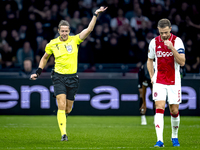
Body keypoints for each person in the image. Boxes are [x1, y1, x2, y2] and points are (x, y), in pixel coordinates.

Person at [30, 6, 107, 141]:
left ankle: (63, 118)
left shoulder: (75, 39)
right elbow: (44, 58)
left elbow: (89, 29)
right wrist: (38, 72)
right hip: (58, 76)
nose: (64, 33)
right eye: (62, 31)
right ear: (58, 31)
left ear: (69, 31)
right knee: (61, 103)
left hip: (72, 78)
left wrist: (95, 14)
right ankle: (63, 134)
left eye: (66, 31)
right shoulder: (52, 44)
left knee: (68, 109)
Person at [147, 18, 185, 147]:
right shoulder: (153, 42)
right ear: (158, 30)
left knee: (174, 111)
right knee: (159, 107)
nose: (164, 35)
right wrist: (152, 76)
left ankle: (174, 137)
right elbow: (149, 60)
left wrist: (172, 48)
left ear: (170, 29)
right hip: (159, 80)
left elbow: (182, 62)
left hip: (174, 80)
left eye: (166, 32)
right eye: (161, 32)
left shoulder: (177, 41)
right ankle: (160, 140)